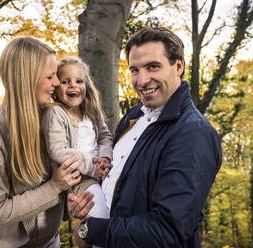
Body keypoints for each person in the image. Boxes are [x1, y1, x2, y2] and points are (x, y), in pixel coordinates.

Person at [68, 27, 222, 247]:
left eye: (153, 67)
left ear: (178, 66)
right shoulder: (132, 118)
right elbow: (116, 186)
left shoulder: (193, 134)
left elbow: (168, 230)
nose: (141, 81)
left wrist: (91, 230)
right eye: (134, 70)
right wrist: (86, 202)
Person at [0, 36, 84, 248]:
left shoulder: (55, 122)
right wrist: (55, 187)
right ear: (27, 79)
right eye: (50, 76)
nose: (57, 83)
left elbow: (70, 180)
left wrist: (75, 199)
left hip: (50, 242)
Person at [41, 56, 113, 221]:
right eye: (65, 82)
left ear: (86, 85)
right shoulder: (56, 113)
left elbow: (105, 137)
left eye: (79, 81)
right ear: (56, 88)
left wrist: (104, 157)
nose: (73, 85)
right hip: (80, 178)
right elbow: (58, 151)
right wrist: (92, 167)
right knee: (99, 212)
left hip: (103, 169)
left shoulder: (92, 111)